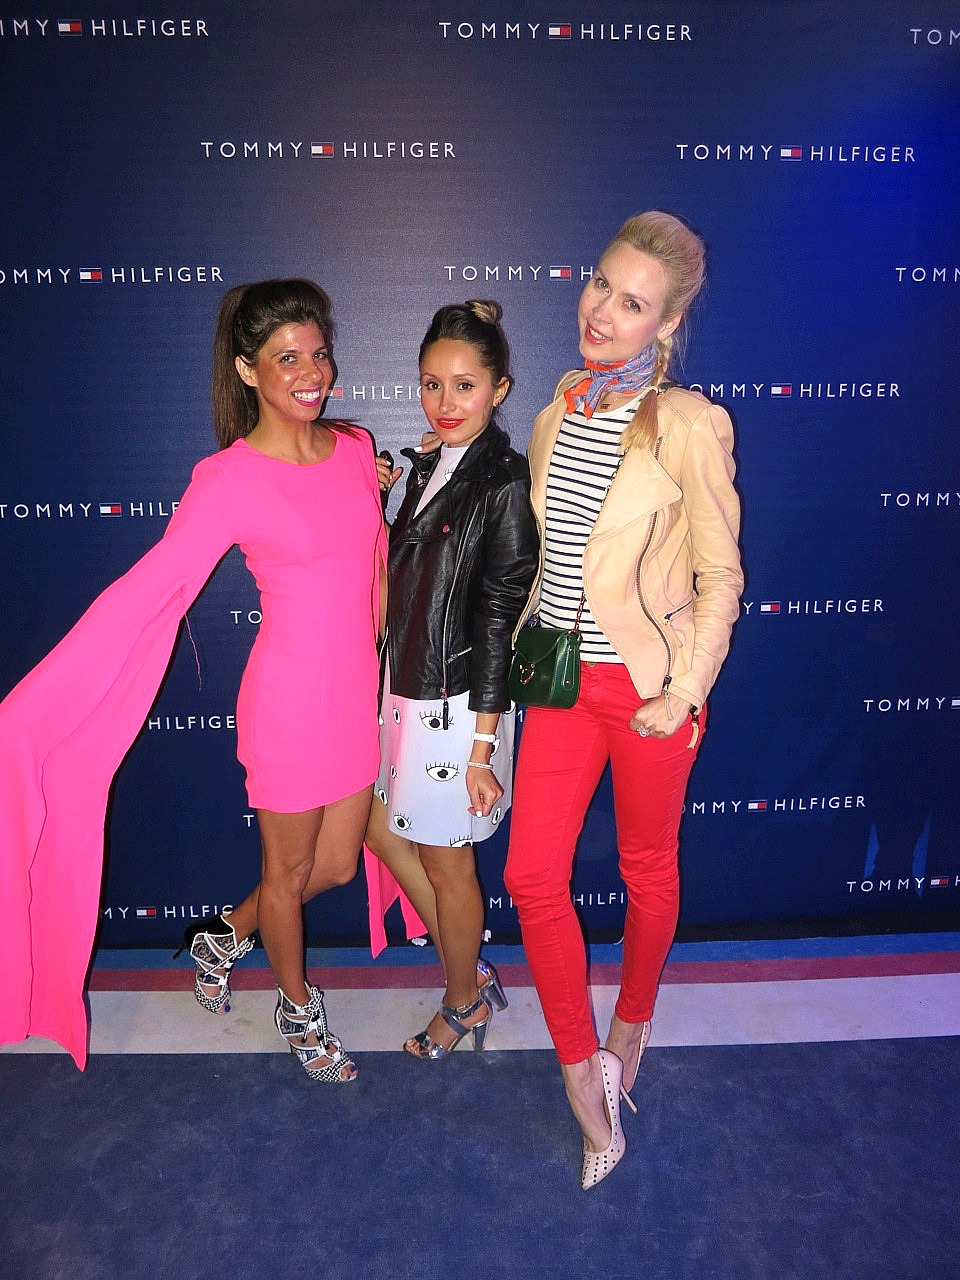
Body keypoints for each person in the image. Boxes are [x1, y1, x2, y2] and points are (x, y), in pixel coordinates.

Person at [0, 279, 388, 1081]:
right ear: (247, 369)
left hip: (356, 699)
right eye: (287, 358)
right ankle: (297, 1009)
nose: (311, 373)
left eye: (318, 354)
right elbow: (151, 587)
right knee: (287, 875)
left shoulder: (355, 448)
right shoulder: (227, 479)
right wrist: (40, 703)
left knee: (338, 867)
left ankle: (222, 936)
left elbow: (376, 567)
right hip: (288, 705)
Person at [502, 212, 743, 1187]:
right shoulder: (556, 413)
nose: (602, 311)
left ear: (668, 322)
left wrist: (684, 690)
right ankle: (579, 1072)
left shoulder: (687, 422)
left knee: (647, 867)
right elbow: (554, 565)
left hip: (649, 691)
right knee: (532, 876)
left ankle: (631, 1024)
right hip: (563, 682)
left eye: (633, 302)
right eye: (601, 283)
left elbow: (721, 574)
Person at [363, 300, 539, 1057]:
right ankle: (469, 969)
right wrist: (379, 497)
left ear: (499, 389)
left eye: (465, 386)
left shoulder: (502, 480)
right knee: (377, 830)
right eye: (432, 384)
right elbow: (403, 581)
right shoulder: (431, 465)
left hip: (457, 705)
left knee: (447, 860)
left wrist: (481, 749)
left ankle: (463, 998)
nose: (445, 402)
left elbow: (500, 615)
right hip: (402, 690)